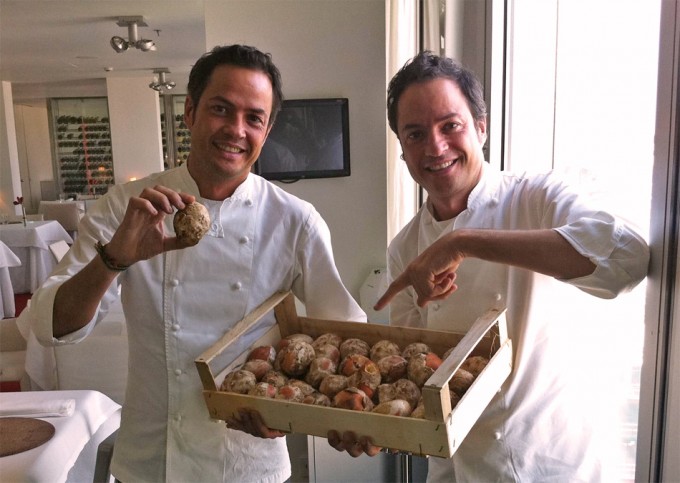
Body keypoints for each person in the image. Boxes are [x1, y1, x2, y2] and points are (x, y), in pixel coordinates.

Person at [27, 44, 365, 483]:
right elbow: (50, 327)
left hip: (251, 463)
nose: (236, 130)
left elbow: (342, 336)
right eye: (221, 109)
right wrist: (114, 260)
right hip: (150, 461)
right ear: (189, 111)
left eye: (254, 118)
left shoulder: (295, 221)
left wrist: (294, 405)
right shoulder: (126, 206)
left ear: (267, 131)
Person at [364, 52, 650, 480]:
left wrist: (464, 242)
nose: (435, 147)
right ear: (403, 151)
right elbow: (416, 372)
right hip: (461, 469)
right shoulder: (405, 249)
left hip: (554, 466)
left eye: (450, 125)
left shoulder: (538, 197)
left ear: (481, 127)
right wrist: (372, 422)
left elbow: (627, 258)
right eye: (416, 134)